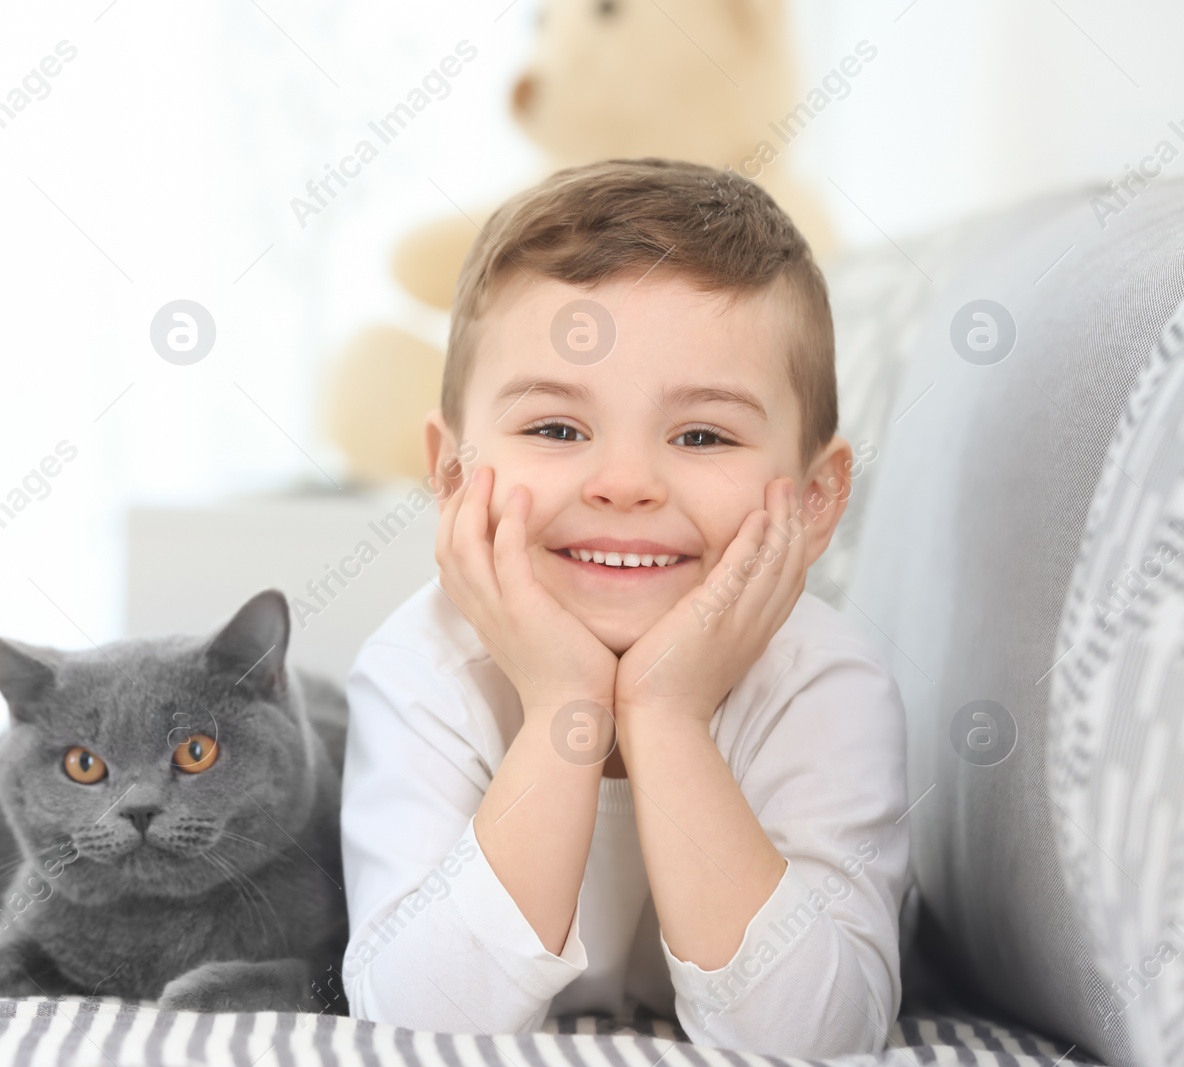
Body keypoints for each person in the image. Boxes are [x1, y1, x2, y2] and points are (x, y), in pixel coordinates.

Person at [338, 158, 908, 1058]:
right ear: (451, 476)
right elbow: (417, 1022)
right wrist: (566, 706)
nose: (627, 484)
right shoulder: (422, 667)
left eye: (703, 434)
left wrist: (665, 713)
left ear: (814, 496)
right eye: (557, 428)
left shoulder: (823, 682)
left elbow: (818, 1035)